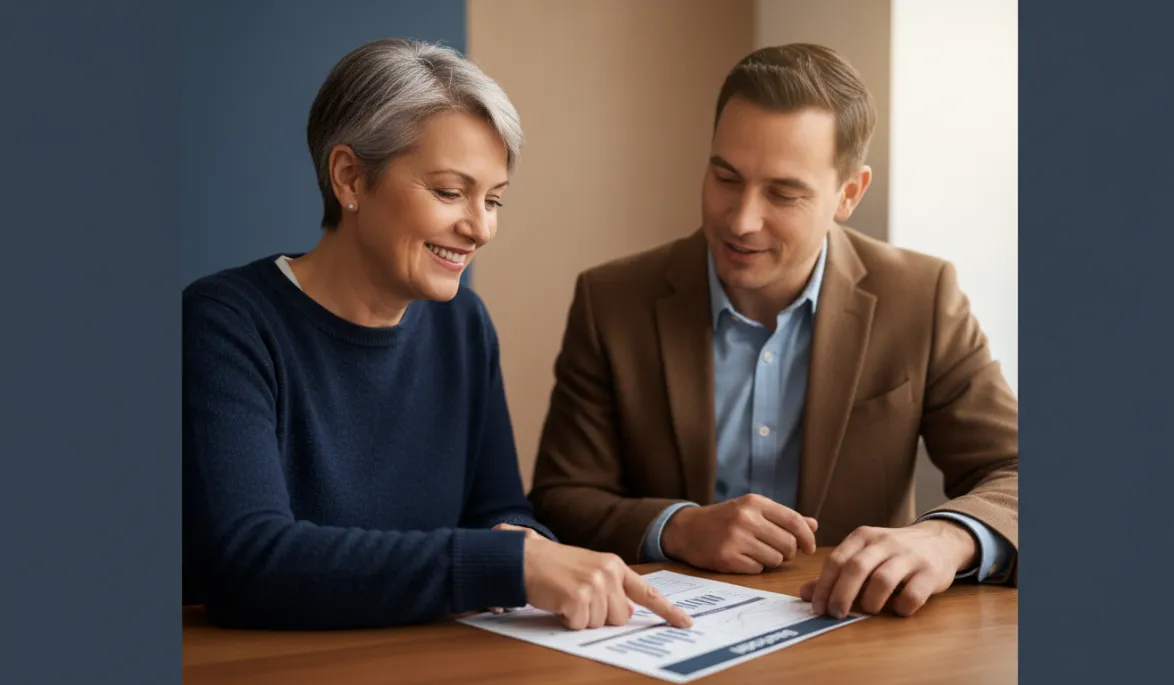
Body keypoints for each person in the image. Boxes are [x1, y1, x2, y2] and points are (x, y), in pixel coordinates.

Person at [182, 38, 691, 632]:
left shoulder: (464, 325)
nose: (480, 228)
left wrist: (525, 543)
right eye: (450, 192)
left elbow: (499, 511)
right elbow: (247, 560)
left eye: (493, 200)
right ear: (349, 177)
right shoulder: (225, 323)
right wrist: (505, 562)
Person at [529, 43, 1017, 619]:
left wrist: (946, 537)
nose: (741, 220)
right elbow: (560, 500)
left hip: (855, 638)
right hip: (663, 633)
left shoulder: (922, 297)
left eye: (784, 193)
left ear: (849, 194)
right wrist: (678, 527)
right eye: (725, 177)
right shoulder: (611, 300)